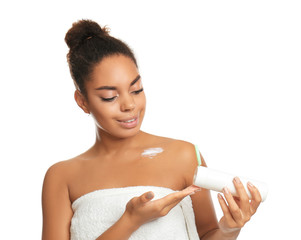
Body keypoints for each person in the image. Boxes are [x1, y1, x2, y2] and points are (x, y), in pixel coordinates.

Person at [41, 19, 262, 240]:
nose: (129, 105)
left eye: (136, 90)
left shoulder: (184, 156)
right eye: (110, 97)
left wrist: (229, 229)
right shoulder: (62, 177)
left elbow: (208, 234)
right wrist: (130, 221)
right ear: (82, 101)